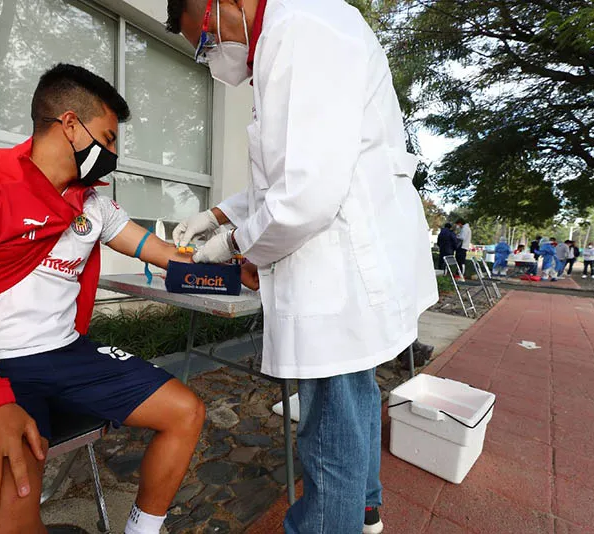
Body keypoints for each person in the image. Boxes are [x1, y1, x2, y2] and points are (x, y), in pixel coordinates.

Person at [0, 64, 257, 534]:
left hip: (67, 355)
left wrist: (231, 266)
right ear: (69, 124)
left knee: (185, 411)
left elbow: (164, 254)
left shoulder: (93, 204)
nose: (112, 154)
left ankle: (142, 529)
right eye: (107, 140)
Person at [165, 1, 439, 533]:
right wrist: (217, 214)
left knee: (328, 429)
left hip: (336, 273)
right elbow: (287, 174)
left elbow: (305, 196)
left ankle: (327, 523)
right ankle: (365, 508)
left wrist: (235, 246)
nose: (210, 51)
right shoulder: (292, 32)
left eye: (204, 35)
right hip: (341, 266)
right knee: (356, 397)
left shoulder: (301, 29)